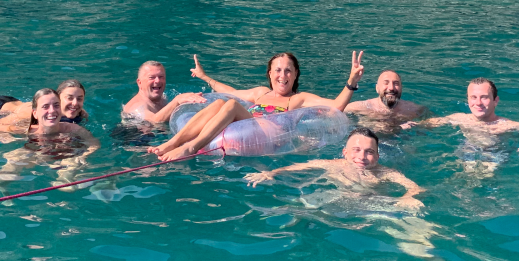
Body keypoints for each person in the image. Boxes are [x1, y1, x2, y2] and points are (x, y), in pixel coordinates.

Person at [149, 51, 365, 161]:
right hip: (246, 129)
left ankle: (191, 147)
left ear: (295, 74)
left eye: (288, 70)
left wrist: (352, 81)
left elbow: (336, 106)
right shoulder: (261, 93)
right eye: (277, 70)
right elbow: (229, 91)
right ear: (270, 74)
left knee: (230, 105)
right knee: (222, 102)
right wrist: (205, 77)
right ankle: (173, 142)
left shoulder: (298, 99)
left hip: (269, 136)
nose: (282, 75)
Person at [401, 78, 519, 172]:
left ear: (495, 101)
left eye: (484, 97)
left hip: (494, 157)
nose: (478, 103)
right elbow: (432, 123)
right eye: (473, 97)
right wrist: (411, 125)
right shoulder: (460, 118)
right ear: (468, 100)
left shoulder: (507, 125)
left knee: (484, 174)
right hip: (466, 152)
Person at [244, 127, 424, 209]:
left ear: (377, 157)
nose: (362, 157)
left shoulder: (386, 173)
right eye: (356, 150)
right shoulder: (332, 165)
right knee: (299, 206)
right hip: (334, 201)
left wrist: (407, 198)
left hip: (373, 205)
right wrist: (271, 173)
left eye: (369, 152)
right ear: (345, 153)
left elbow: (416, 187)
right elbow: (301, 166)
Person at [0, 88, 99, 193]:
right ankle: (6, 176)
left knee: (72, 160)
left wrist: (84, 155)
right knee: (16, 156)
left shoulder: (72, 129)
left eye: (56, 105)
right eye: (45, 107)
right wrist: (6, 137)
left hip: (64, 153)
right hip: (39, 153)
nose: (52, 110)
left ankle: (65, 179)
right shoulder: (29, 130)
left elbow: (94, 143)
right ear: (35, 113)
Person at [0, 80, 89, 134]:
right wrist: (5, 136)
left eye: (79, 99)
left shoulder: (79, 112)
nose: (75, 103)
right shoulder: (31, 113)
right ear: (57, 98)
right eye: (69, 98)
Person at [121, 61, 206, 123]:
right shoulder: (137, 106)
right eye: (151, 77)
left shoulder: (163, 98)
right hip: (135, 139)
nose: (157, 81)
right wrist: (177, 101)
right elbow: (154, 121)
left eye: (161, 77)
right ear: (139, 83)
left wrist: (187, 102)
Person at [345, 70, 425, 132]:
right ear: (377, 88)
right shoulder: (360, 107)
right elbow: (338, 113)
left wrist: (419, 124)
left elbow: (430, 122)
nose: (391, 88)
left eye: (396, 84)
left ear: (401, 88)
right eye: (386, 83)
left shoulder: (413, 109)